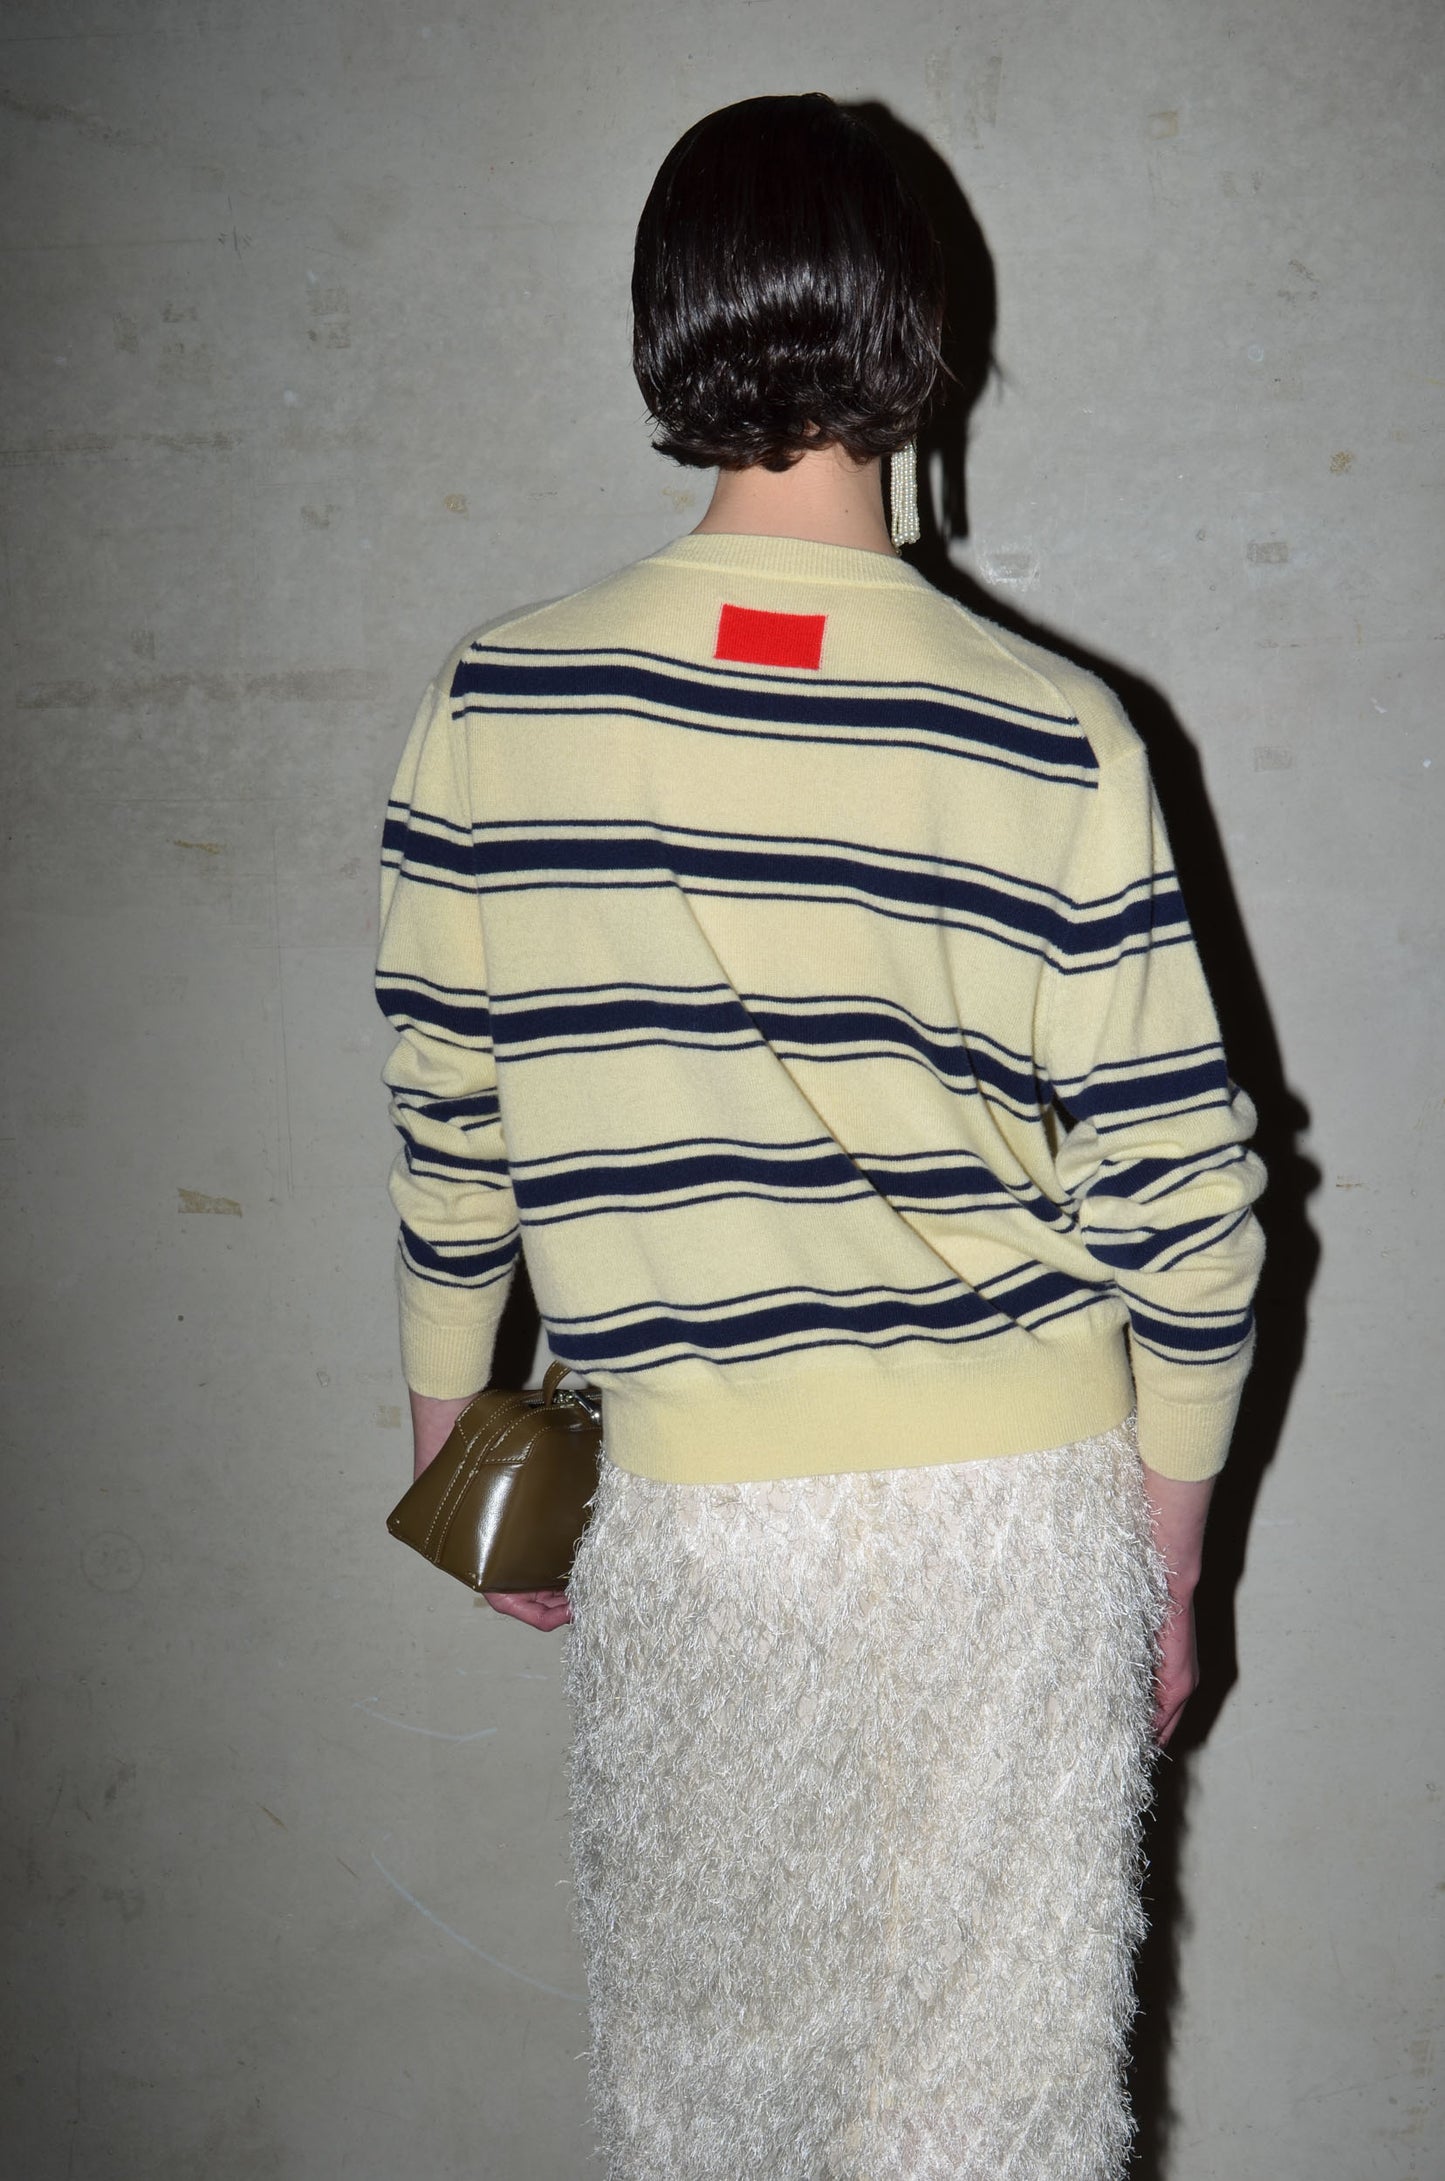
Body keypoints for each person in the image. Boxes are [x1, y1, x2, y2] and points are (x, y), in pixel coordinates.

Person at [375, 92, 1266, 2181]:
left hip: (703, 1526)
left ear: (664, 320)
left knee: (714, 2111)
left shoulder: (500, 704)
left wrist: (451, 1429)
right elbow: (1191, 1202)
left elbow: (448, 1117)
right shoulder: (1054, 729)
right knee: (993, 2119)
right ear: (922, 336)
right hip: (1019, 1517)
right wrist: (1169, 1548)